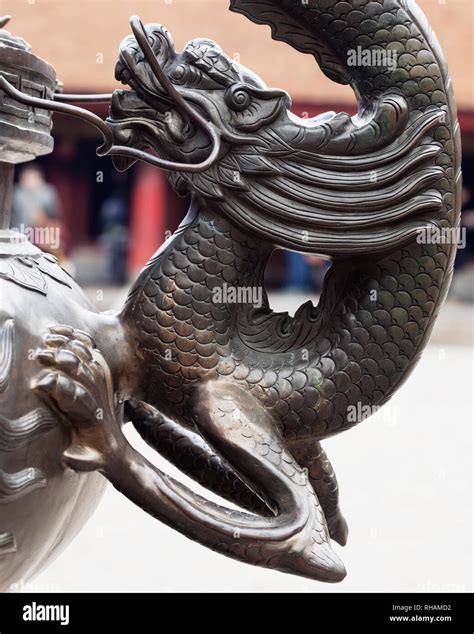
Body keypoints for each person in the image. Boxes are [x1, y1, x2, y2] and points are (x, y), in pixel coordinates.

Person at [11, 165, 64, 260]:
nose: (29, 182)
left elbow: (54, 216)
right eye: (26, 179)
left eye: (32, 178)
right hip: (19, 234)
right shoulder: (16, 193)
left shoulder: (48, 192)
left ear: (40, 179)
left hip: (43, 234)